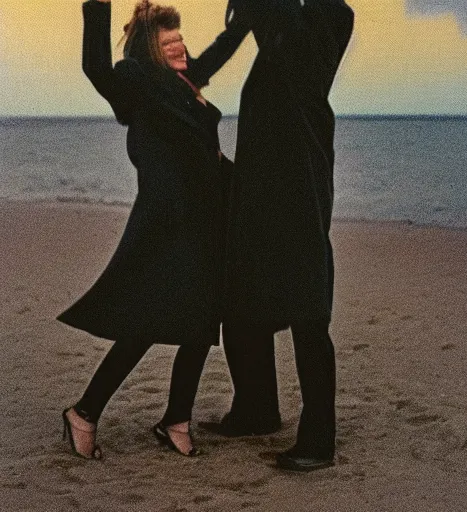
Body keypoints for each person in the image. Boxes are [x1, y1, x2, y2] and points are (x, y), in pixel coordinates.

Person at [58, 0, 248, 459]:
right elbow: (95, 66)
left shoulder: (183, 82)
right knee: (145, 319)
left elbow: (218, 55)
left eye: (180, 38)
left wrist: (245, 19)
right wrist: (99, 7)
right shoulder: (137, 82)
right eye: (169, 42)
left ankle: (176, 419)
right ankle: (84, 412)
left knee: (201, 322)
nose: (180, 46)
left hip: (206, 219)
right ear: (150, 50)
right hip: (168, 222)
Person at [200, 0, 354, 472]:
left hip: (299, 190)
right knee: (241, 299)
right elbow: (250, 20)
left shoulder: (319, 30)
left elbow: (269, 12)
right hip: (261, 191)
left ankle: (318, 437)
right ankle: (256, 408)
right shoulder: (279, 46)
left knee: (308, 310)